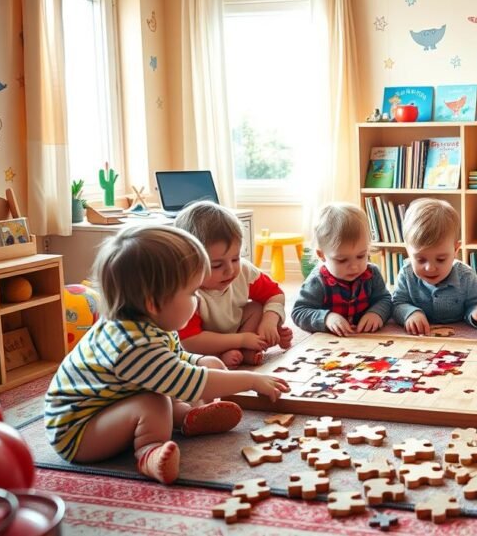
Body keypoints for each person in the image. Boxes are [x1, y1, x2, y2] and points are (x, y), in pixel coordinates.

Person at [44, 225, 288, 484]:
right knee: (153, 402)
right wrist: (250, 381)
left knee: (201, 367)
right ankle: (149, 452)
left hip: (112, 406)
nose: (197, 301)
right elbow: (190, 382)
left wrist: (201, 361)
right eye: (192, 293)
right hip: (79, 433)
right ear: (153, 302)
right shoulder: (133, 347)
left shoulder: (151, 324)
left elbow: (175, 360)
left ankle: (187, 418)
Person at [174, 201, 292, 368]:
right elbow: (190, 342)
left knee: (257, 308)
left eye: (235, 258)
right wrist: (242, 339)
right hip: (203, 346)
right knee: (200, 360)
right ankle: (226, 354)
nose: (230, 270)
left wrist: (269, 322)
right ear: (188, 263)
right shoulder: (186, 293)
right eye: (216, 265)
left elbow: (274, 294)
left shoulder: (243, 272)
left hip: (236, 329)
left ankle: (244, 350)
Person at [392, 199, 477, 334]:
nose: (430, 268)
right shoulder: (406, 273)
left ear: (456, 250)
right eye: (420, 259)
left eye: (440, 259)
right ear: (408, 251)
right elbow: (397, 304)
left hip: (458, 337)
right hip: (420, 339)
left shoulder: (466, 276)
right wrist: (410, 313)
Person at [291, 203, 392, 336]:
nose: (354, 266)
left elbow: (384, 299)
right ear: (321, 255)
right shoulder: (317, 281)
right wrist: (327, 318)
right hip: (329, 344)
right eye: (342, 260)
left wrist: (376, 313)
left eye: (361, 256)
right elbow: (299, 312)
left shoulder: (372, 274)